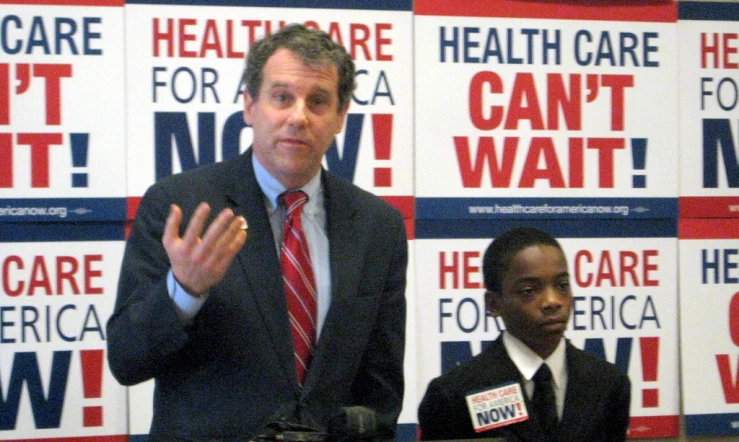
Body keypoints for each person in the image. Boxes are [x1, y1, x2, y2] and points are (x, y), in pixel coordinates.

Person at [107, 24, 408, 441]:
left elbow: (381, 393)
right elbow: (126, 360)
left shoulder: (379, 227)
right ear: (250, 105)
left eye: (318, 101)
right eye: (282, 97)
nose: (298, 117)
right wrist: (183, 291)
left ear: (340, 116)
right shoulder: (181, 207)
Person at [417, 227, 630, 441]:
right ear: (493, 303)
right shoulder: (454, 394)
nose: (552, 301)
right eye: (528, 291)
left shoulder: (608, 384)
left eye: (562, 285)